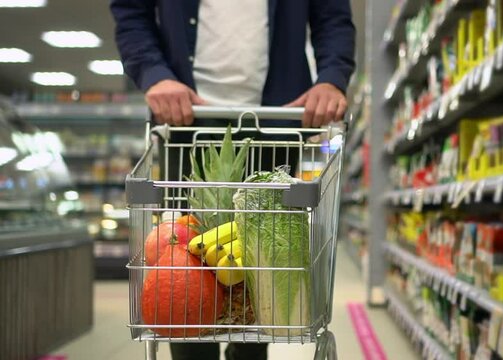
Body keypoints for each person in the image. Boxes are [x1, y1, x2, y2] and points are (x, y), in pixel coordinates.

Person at [110, 1, 355, 359]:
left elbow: (332, 15)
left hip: (279, 120)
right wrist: (154, 73)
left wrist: (332, 78)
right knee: (187, 284)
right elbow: (131, 10)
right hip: (186, 122)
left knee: (265, 288)